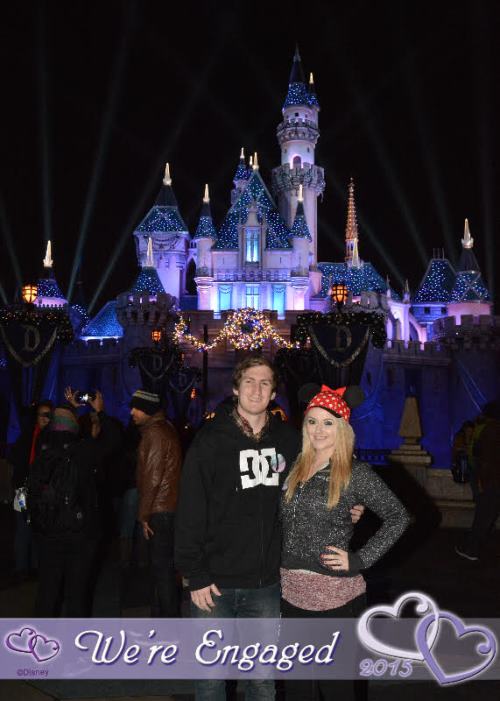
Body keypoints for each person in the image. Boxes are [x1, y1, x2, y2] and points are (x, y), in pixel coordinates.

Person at [175, 358, 364, 701]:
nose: (256, 390)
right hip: (213, 583)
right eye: (249, 381)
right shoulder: (210, 441)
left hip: (266, 583)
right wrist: (195, 574)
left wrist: (346, 506)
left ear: (273, 392)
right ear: (236, 388)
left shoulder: (289, 441)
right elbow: (190, 509)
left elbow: (317, 483)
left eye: (265, 383)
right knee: (210, 680)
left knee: (261, 681)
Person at [281, 384, 410, 701]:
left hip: (333, 597)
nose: (318, 429)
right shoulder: (296, 466)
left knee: (335, 687)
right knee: (298, 688)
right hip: (291, 594)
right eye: (312, 421)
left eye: (328, 422)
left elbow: (398, 517)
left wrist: (361, 559)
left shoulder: (355, 473)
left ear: (342, 428)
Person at [28, 390, 121, 616]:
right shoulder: (84, 450)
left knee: (47, 592)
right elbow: (114, 440)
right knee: (77, 594)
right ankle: (75, 635)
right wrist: (100, 411)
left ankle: (39, 636)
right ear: (74, 426)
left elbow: (50, 429)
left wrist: (69, 408)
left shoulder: (42, 447)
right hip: (80, 535)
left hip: (48, 532)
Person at [131, 389, 182, 616]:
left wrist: (143, 515)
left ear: (148, 410)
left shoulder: (155, 433)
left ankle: (168, 623)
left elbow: (152, 478)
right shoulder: (163, 428)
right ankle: (163, 620)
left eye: (136, 408)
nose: (131, 412)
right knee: (163, 571)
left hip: (159, 510)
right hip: (166, 508)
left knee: (162, 572)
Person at [9, 400, 53, 579]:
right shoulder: (27, 436)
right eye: (42, 414)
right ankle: (21, 568)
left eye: (48, 415)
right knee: (23, 526)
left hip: (41, 491)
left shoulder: (52, 438)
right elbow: (15, 459)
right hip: (22, 489)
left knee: (38, 528)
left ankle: (35, 567)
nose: (44, 418)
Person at [455, 400, 500, 561]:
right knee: (486, 515)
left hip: (489, 480)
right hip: (493, 480)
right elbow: (487, 458)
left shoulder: (488, 429)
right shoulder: (493, 429)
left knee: (484, 515)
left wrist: (481, 481)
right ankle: (474, 548)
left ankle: (472, 548)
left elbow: (484, 458)